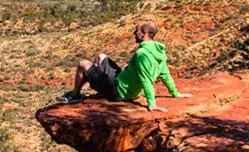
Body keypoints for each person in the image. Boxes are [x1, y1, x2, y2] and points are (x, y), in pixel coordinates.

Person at [57, 22, 191, 111]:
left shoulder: (141, 53)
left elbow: (146, 79)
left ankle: (75, 95)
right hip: (124, 83)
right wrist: (175, 93)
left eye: (136, 31)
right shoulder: (158, 50)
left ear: (143, 33)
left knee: (83, 64)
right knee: (101, 57)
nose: (134, 33)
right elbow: (165, 74)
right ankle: (89, 82)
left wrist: (152, 104)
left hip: (118, 91)